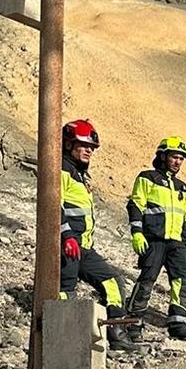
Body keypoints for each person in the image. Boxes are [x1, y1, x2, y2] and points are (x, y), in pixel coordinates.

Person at [59, 118, 132, 350]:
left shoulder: (81, 175)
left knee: (113, 282)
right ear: (69, 144)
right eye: (84, 146)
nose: (89, 151)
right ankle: (63, 339)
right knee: (65, 292)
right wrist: (66, 235)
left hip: (84, 247)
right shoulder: (61, 169)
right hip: (66, 245)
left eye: (91, 147)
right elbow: (54, 205)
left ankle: (117, 334)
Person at [127, 136, 186, 343]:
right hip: (154, 239)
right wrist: (137, 233)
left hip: (177, 242)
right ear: (162, 156)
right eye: (174, 157)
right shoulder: (147, 178)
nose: (178, 162)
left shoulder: (183, 188)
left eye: (181, 158)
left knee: (182, 281)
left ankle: (178, 322)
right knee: (147, 280)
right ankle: (133, 322)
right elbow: (136, 206)